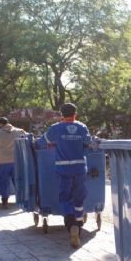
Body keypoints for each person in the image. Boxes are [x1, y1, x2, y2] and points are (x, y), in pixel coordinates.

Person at [41, 103, 92, 248]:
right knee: (79, 196)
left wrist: (34, 144)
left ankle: (71, 225)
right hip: (80, 167)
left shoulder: (55, 128)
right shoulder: (82, 127)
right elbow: (89, 142)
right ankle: (79, 223)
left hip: (63, 169)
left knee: (65, 197)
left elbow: (42, 142)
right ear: (76, 114)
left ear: (61, 115)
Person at [0, 117, 27, 209]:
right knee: (18, 181)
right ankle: (22, 201)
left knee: (4, 182)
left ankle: (5, 202)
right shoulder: (19, 131)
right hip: (17, 161)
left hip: (3, 161)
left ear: (0, 124)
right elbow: (28, 139)